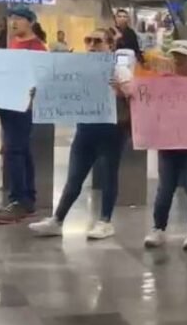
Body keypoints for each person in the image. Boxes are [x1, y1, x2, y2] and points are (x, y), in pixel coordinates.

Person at [29, 29, 130, 239]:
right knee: (74, 177)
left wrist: (121, 91)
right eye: (88, 40)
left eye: (98, 41)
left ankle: (105, 221)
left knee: (109, 175)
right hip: (86, 128)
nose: (92, 45)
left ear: (110, 45)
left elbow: (135, 98)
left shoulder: (120, 71)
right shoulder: (78, 69)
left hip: (111, 131)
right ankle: (57, 220)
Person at [144, 40, 187, 251]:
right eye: (175, 56)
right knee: (165, 187)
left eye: (182, 56)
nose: (178, 60)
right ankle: (158, 228)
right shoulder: (162, 82)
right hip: (169, 144)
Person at [0, 6, 47, 224]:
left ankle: (19, 201)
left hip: (22, 107)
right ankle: (27, 199)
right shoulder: (14, 43)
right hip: (9, 103)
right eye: (11, 18)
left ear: (30, 22)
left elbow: (39, 79)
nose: (13, 22)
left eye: (19, 19)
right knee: (21, 151)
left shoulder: (37, 47)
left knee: (14, 151)